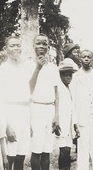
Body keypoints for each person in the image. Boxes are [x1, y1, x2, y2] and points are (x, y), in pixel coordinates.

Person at [0, 36, 33, 170]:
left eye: (18, 45)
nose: (16, 48)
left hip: (25, 112)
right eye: (12, 46)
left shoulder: (25, 69)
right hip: (10, 112)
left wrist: (30, 121)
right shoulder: (2, 71)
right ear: (6, 49)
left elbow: (28, 96)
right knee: (11, 155)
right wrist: (7, 126)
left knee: (21, 154)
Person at [29, 34, 61, 170]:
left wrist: (57, 115)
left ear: (48, 46)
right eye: (38, 43)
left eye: (44, 44)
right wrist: (37, 67)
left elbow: (56, 92)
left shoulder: (53, 67)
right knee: (36, 150)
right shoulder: (28, 65)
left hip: (50, 109)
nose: (41, 46)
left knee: (47, 150)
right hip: (36, 108)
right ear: (33, 45)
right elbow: (29, 88)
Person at [71, 50, 93, 170]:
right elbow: (73, 99)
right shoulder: (75, 76)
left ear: (92, 59)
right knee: (83, 149)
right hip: (82, 117)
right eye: (84, 57)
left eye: (88, 57)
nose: (86, 59)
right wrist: (75, 120)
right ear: (80, 58)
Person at [57, 58, 79, 170]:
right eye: (66, 75)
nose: (69, 77)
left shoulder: (69, 88)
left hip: (69, 126)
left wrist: (75, 125)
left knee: (67, 150)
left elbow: (72, 109)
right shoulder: (58, 89)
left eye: (71, 75)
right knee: (63, 152)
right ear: (60, 75)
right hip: (61, 125)